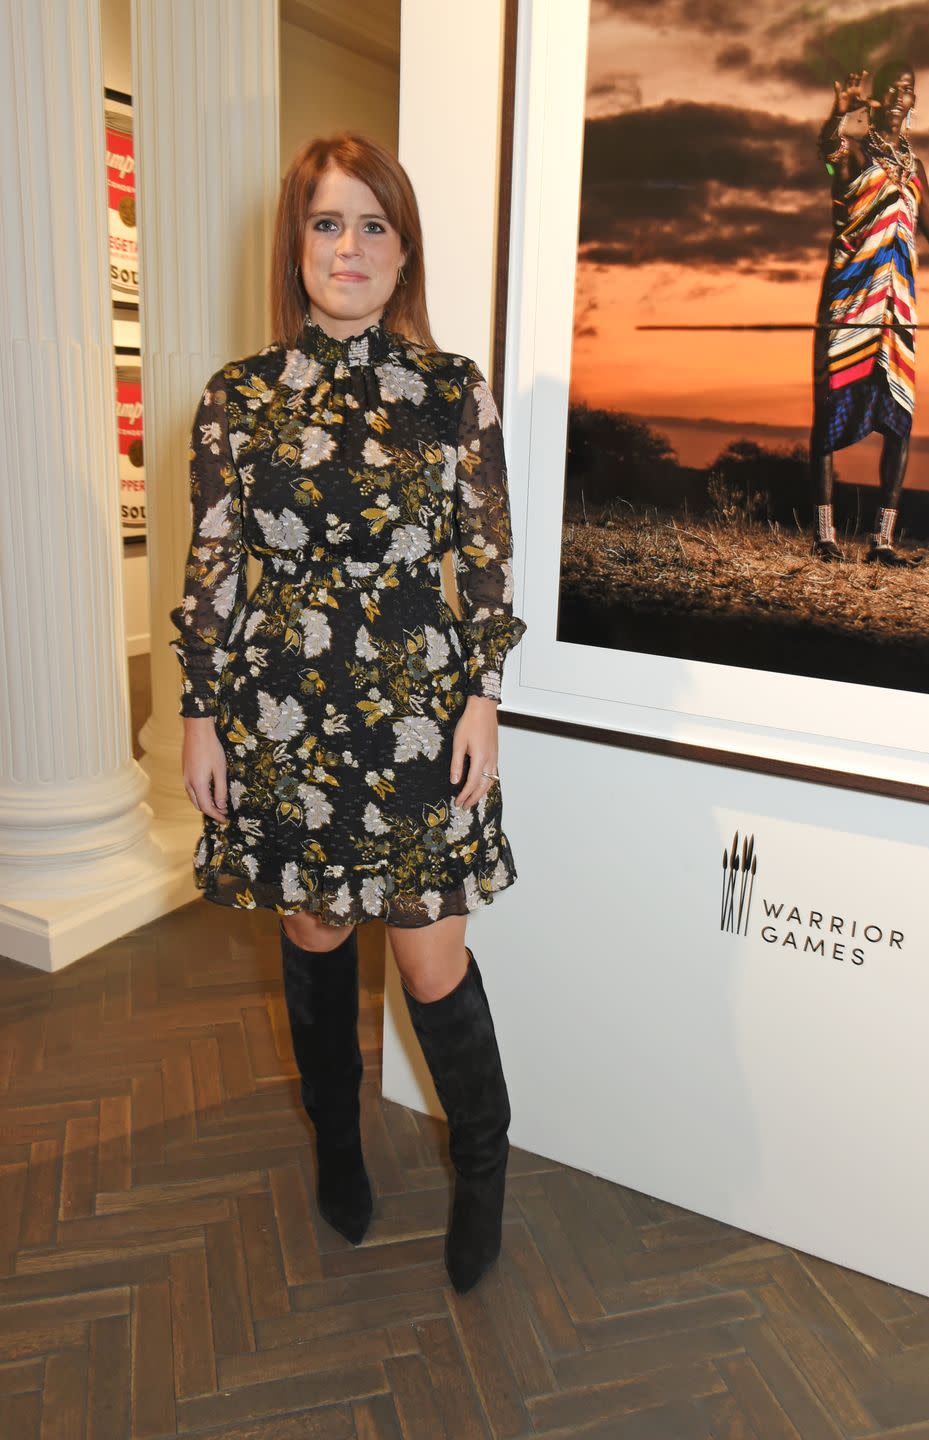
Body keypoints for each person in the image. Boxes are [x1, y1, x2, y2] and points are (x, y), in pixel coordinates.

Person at [169, 133, 527, 1295]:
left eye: (373, 223)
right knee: (313, 935)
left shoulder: (447, 390)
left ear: (403, 248)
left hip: (420, 722)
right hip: (281, 723)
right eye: (328, 222)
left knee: (430, 967)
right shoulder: (235, 400)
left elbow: (484, 561)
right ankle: (336, 1143)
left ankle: (482, 1168)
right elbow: (213, 570)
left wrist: (481, 695)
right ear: (297, 245)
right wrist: (199, 716)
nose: (350, 246)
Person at [811, 60, 929, 565]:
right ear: (877, 100)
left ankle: (882, 542)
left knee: (899, 420)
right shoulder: (852, 151)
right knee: (830, 411)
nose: (899, 94)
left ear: (915, 101)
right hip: (851, 300)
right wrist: (838, 115)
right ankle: (825, 535)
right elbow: (830, 164)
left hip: (898, 307)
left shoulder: (915, 169)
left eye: (908, 88)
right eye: (892, 87)